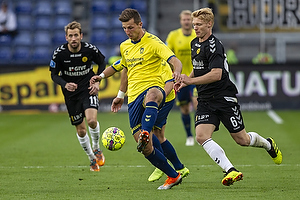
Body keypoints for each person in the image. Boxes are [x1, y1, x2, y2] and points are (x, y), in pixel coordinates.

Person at [174, 8, 282, 186]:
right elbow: (198, 66)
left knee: (242, 140)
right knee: (201, 136)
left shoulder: (215, 45)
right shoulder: (194, 43)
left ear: (210, 24)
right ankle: (230, 170)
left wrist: (191, 81)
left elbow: (216, 74)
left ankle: (268, 144)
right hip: (205, 99)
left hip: (223, 97)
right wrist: (187, 80)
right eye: (194, 25)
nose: (195, 28)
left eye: (199, 25)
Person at [90, 8, 183, 190]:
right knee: (146, 149)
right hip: (133, 97)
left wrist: (177, 72)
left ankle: (147, 132)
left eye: (130, 27)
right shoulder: (125, 46)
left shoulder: (154, 42)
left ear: (140, 24)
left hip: (153, 88)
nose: (127, 31)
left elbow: (175, 60)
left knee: (153, 96)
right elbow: (119, 66)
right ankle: (173, 176)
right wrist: (101, 77)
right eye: (124, 28)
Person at [109, 59, 190, 182]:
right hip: (154, 98)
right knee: (157, 134)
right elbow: (118, 66)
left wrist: (159, 102)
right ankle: (179, 167)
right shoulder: (137, 56)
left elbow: (169, 84)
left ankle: (163, 166)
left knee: (151, 131)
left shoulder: (159, 63)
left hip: (164, 99)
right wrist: (100, 76)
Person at [49, 21, 106, 172]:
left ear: (81, 36)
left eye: (76, 35)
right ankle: (91, 159)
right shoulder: (59, 53)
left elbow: (102, 62)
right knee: (81, 130)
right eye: (70, 36)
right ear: (66, 37)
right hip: (70, 94)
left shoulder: (90, 49)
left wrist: (98, 81)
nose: (73, 38)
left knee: (92, 120)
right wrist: (65, 84)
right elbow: (54, 75)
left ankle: (96, 148)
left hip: (88, 88)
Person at [166, 10, 197, 146]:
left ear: (192, 21)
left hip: (196, 77)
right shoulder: (173, 36)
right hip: (180, 78)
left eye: (188, 19)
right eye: (184, 19)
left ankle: (200, 134)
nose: (186, 22)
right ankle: (189, 136)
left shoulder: (197, 34)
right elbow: (168, 56)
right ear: (180, 21)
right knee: (184, 109)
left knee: (198, 105)